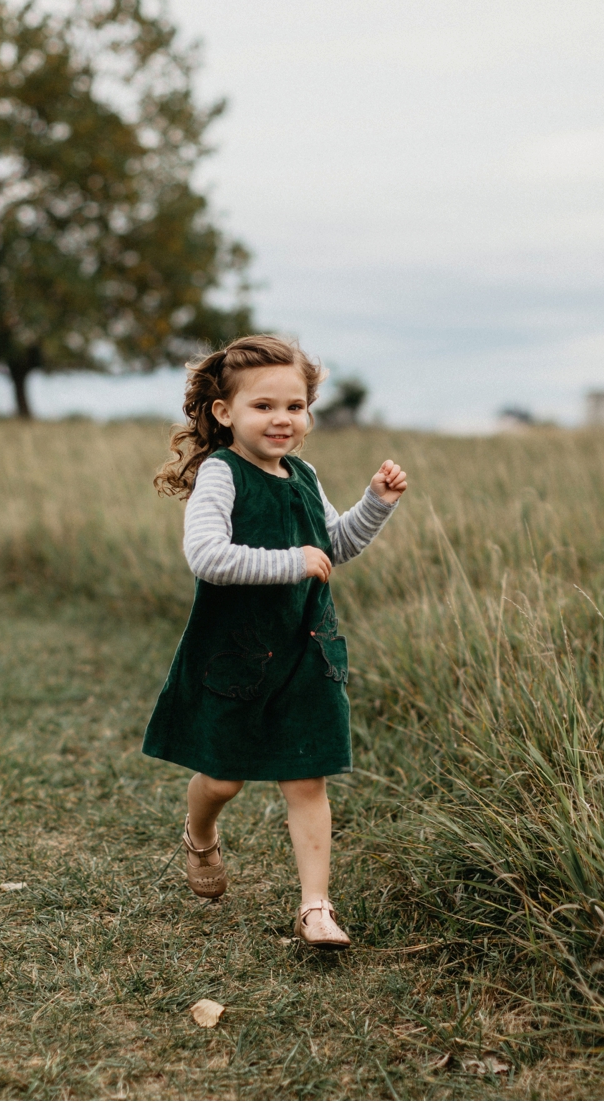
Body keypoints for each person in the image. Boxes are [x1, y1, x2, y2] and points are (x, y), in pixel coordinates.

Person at [142, 334, 407, 948]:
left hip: (308, 648)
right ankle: (200, 835)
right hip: (235, 651)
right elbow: (206, 556)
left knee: (307, 778)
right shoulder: (221, 474)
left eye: (295, 405)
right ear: (224, 413)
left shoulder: (305, 475)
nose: (282, 419)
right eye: (263, 406)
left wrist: (376, 505)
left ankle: (316, 908)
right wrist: (290, 561)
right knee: (224, 778)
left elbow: (330, 547)